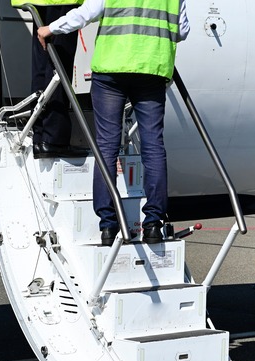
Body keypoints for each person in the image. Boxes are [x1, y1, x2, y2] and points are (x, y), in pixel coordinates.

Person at [38, 0, 188, 245]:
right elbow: (181, 31)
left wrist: (51, 28)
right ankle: (153, 223)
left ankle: (108, 225)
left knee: (107, 146)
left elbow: (86, 13)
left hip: (112, 71)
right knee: (153, 147)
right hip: (151, 70)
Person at [11, 0, 89, 159]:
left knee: (42, 65)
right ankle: (54, 140)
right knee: (59, 67)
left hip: (38, 1)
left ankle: (40, 137)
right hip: (61, 1)